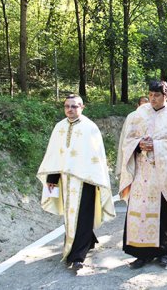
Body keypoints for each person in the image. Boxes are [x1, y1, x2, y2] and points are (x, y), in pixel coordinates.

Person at [37, 94, 116, 271]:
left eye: (74, 106)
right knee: (71, 216)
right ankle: (87, 240)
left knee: (84, 215)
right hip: (65, 180)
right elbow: (54, 156)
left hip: (86, 180)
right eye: (67, 106)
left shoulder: (90, 128)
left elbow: (97, 156)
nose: (70, 109)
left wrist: (97, 179)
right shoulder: (59, 127)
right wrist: (52, 180)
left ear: (82, 107)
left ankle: (78, 255)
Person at [119, 80, 167, 269]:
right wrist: (138, 144)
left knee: (162, 213)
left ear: (166, 96)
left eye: (157, 95)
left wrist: (156, 146)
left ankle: (162, 253)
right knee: (139, 212)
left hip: (162, 175)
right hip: (141, 173)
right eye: (150, 95)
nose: (153, 99)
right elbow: (127, 140)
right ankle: (140, 254)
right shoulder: (139, 113)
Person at [115, 96, 149, 178]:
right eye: (142, 105)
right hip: (133, 153)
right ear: (138, 105)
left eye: (147, 106)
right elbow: (126, 137)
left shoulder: (152, 117)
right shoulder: (131, 116)